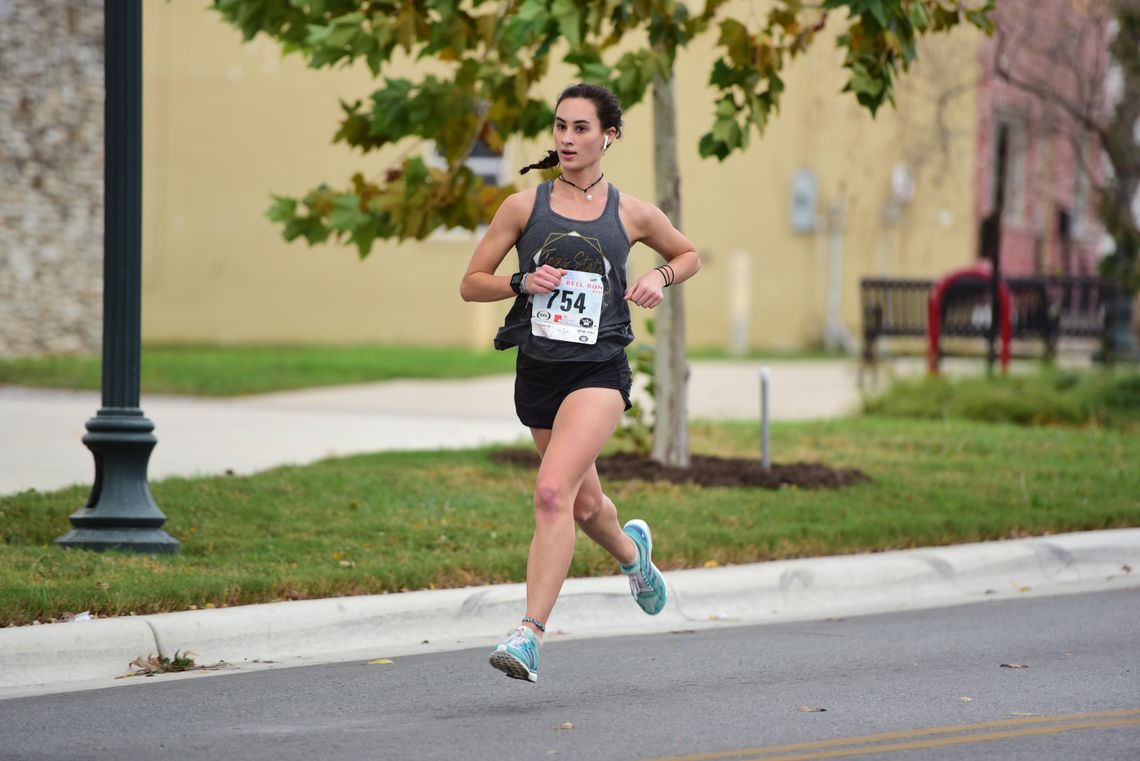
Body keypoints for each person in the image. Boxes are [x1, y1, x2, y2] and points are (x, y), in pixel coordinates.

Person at [459, 83, 700, 684]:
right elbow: (471, 282)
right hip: (538, 372)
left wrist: (661, 277)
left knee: (550, 494)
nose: (567, 138)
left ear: (607, 136)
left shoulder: (631, 212)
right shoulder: (523, 207)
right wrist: (521, 284)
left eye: (581, 128)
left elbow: (689, 253)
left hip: (598, 372)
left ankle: (528, 636)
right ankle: (633, 556)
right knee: (586, 506)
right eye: (560, 127)